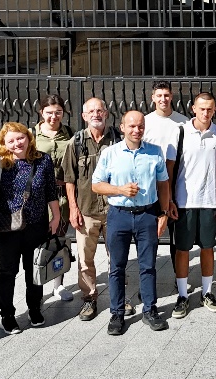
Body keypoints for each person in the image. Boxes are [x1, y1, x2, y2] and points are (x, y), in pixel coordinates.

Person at [91, 111, 171, 336]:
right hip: (119, 215)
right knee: (117, 266)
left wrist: (163, 213)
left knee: (148, 265)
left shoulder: (155, 152)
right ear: (122, 127)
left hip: (147, 215)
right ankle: (117, 313)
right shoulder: (110, 153)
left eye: (141, 126)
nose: (137, 130)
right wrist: (119, 189)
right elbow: (96, 185)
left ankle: (150, 310)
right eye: (132, 126)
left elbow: (163, 183)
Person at [0, 122, 61, 334]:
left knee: (34, 270)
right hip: (7, 228)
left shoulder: (43, 160)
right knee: (8, 272)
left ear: (28, 138)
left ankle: (34, 308)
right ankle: (7, 315)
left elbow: (50, 190)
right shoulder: (1, 164)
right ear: (4, 144)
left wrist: (56, 216)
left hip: (36, 226)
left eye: (20, 138)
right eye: (11, 140)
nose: (17, 143)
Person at [167, 92, 216, 318]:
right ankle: (183, 296)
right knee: (182, 250)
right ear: (193, 108)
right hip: (183, 202)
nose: (206, 112)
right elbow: (170, 167)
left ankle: (207, 292)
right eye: (202, 108)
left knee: (207, 248)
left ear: (215, 109)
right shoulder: (180, 131)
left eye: (210, 109)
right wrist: (170, 200)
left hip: (210, 201)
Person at [61, 97, 121, 321]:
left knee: (117, 256)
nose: (96, 114)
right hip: (86, 211)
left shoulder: (117, 140)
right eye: (91, 112)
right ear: (84, 116)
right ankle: (89, 298)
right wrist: (73, 209)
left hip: (115, 209)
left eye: (100, 110)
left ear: (106, 113)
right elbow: (69, 180)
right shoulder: (75, 143)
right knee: (85, 259)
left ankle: (120, 297)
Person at [32, 94, 74, 303]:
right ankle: (37, 288)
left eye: (58, 112)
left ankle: (58, 285)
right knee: (38, 244)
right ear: (42, 113)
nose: (53, 117)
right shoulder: (32, 135)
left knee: (58, 241)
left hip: (63, 197)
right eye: (49, 113)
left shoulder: (70, 134)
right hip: (39, 198)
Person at [143, 81, 189, 159]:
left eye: (166, 95)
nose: (163, 99)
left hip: (176, 169)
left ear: (171, 96)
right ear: (153, 98)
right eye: (159, 96)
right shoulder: (145, 121)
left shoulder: (184, 121)